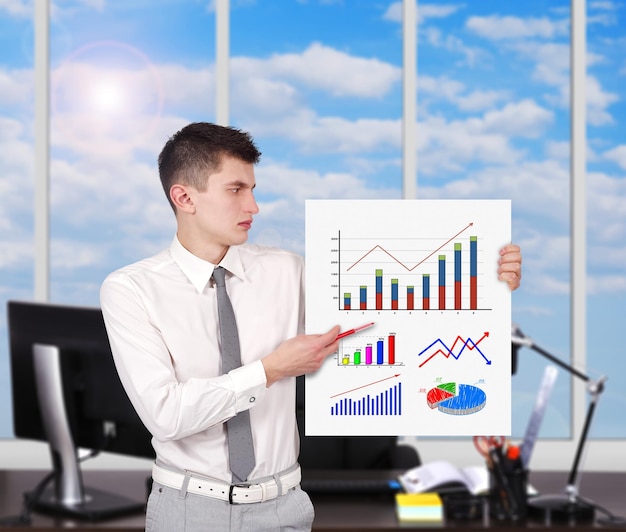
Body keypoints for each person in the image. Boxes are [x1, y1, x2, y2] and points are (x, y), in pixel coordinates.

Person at [100, 122, 523, 531]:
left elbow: (395, 323)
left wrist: (488, 288)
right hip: (191, 511)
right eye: (236, 190)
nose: (253, 206)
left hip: (286, 507)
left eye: (253, 189)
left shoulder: (287, 271)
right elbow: (166, 415)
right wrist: (270, 370)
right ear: (184, 197)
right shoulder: (130, 289)